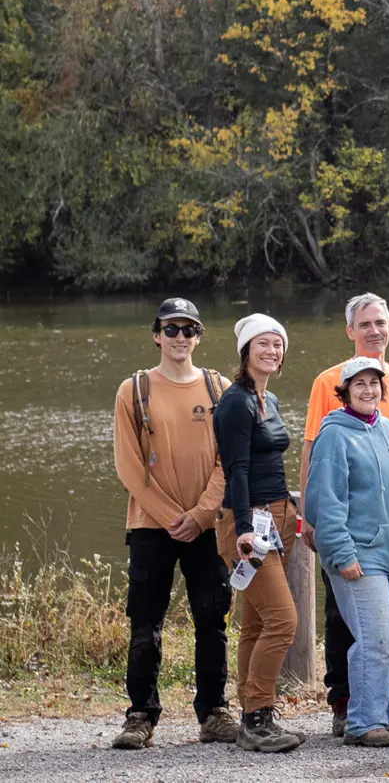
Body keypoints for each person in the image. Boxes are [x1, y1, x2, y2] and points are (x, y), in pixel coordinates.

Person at [110, 298, 234, 750]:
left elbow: (229, 459)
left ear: (199, 336)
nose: (180, 337)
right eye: (172, 328)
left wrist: (201, 513)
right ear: (156, 334)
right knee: (146, 623)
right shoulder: (134, 389)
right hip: (151, 527)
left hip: (206, 527)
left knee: (212, 619)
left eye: (189, 329)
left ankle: (215, 713)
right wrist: (169, 518)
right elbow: (128, 465)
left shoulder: (219, 388)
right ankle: (141, 715)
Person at [300, 292, 389, 736]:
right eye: (359, 385)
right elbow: (323, 502)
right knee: (371, 640)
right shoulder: (335, 434)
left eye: (374, 384)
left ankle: (385, 713)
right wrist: (340, 552)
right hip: (359, 555)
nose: (369, 390)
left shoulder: (388, 428)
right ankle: (362, 722)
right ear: (345, 392)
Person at [213, 313, 303, 752]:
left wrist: (291, 514)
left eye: (277, 344)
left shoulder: (270, 399)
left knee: (256, 624)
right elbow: (237, 470)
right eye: (262, 344)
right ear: (245, 351)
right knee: (284, 621)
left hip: (278, 517)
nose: (271, 351)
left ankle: (252, 711)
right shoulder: (235, 402)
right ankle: (257, 716)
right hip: (249, 522)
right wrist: (246, 530)